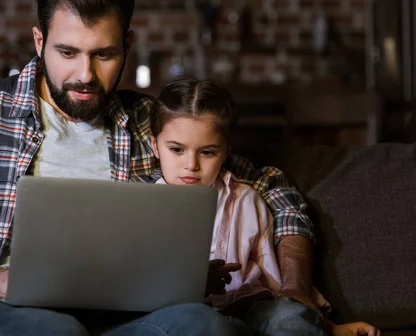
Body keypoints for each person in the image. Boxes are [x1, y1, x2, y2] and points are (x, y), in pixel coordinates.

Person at [0, 0, 312, 335]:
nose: (84, 74)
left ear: (127, 46)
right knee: (55, 331)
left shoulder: (152, 124)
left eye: (103, 55)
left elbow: (272, 188)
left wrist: (295, 284)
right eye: (67, 52)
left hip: (118, 317)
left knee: (204, 326)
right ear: (39, 41)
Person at [149, 78, 380, 336]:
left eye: (207, 152)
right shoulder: (143, 206)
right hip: (184, 318)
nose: (191, 164)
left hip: (250, 311)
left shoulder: (247, 200)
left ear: (226, 152)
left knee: (289, 316)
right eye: (177, 149)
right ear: (155, 146)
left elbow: (276, 285)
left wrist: (327, 326)